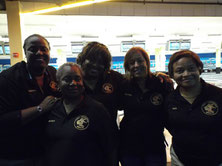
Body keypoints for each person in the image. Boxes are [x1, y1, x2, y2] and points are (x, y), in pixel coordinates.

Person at [0, 34, 60, 166]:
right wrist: (39, 109)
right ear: (25, 53)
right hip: (17, 155)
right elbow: (3, 120)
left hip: (46, 151)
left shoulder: (53, 74)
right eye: (33, 49)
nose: (39, 52)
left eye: (44, 49)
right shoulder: (8, 79)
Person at [43, 62, 117, 166]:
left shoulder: (97, 110)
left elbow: (110, 148)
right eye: (67, 79)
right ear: (58, 83)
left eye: (77, 79)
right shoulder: (52, 109)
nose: (73, 83)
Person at [165, 50, 222, 166]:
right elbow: (169, 126)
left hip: (215, 160)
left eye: (191, 69)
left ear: (199, 69)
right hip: (181, 160)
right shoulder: (169, 100)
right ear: (172, 75)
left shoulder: (218, 95)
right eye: (180, 71)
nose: (186, 74)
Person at [119, 47, 171, 166]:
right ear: (128, 67)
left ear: (147, 62)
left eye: (140, 61)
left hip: (154, 145)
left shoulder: (161, 83)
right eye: (132, 63)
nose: (136, 65)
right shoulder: (123, 85)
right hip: (129, 146)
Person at [76, 41, 124, 129]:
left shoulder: (114, 78)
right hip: (81, 139)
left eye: (101, 62)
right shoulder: (74, 80)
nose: (95, 65)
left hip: (109, 137)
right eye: (91, 60)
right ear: (82, 59)